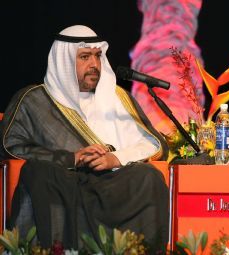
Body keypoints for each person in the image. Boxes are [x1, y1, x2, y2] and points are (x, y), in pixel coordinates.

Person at [0, 25, 170, 252]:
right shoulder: (34, 100)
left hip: (112, 185)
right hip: (63, 182)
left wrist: (116, 158)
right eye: (85, 57)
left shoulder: (117, 98)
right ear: (64, 61)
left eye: (98, 56)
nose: (94, 64)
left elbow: (153, 144)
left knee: (149, 176)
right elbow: (10, 145)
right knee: (38, 172)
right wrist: (70, 158)